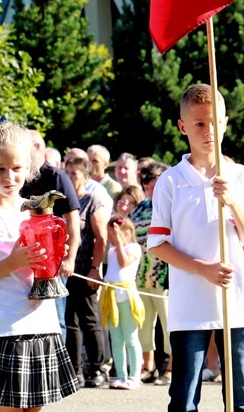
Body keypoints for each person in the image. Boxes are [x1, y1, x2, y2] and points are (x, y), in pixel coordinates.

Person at [148, 84, 244, 412]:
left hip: (237, 299)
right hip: (189, 303)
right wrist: (204, 269)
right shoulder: (171, 181)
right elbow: (158, 244)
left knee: (241, 394)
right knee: (184, 396)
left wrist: (232, 203)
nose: (208, 130)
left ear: (226, 122)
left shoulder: (240, 177)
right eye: (199, 123)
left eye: (214, 122)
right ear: (183, 126)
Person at [0, 120, 78, 409]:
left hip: (42, 325)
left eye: (17, 168)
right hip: (5, 330)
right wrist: (12, 262)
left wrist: (56, 256)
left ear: (28, 169)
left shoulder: (34, 213)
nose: (9, 176)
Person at [21, 131, 81, 344]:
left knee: (56, 318)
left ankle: (57, 369)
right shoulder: (19, 177)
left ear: (36, 147)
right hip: (24, 261)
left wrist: (69, 259)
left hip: (53, 261)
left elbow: (73, 222)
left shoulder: (56, 176)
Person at [63, 157, 108, 388]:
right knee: (69, 321)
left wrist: (95, 268)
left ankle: (98, 367)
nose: (70, 177)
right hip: (64, 273)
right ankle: (74, 369)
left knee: (90, 321)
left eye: (75, 174)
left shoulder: (92, 202)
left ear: (86, 177)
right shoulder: (61, 201)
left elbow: (101, 238)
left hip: (85, 270)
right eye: (67, 172)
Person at [133, 162, 173, 386]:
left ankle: (171, 367)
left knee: (169, 322)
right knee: (144, 322)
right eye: (147, 187)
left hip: (166, 273)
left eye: (154, 186)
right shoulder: (140, 208)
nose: (151, 191)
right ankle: (148, 365)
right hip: (141, 273)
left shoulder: (173, 206)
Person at [101, 216, 144, 390]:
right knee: (117, 339)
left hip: (127, 297)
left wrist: (118, 241)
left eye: (116, 232)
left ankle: (135, 376)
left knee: (131, 338)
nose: (112, 236)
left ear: (126, 232)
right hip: (111, 296)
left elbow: (123, 262)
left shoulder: (134, 248)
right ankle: (121, 375)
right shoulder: (111, 250)